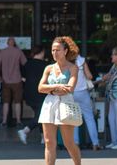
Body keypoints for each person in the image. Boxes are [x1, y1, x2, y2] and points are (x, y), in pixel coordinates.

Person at [36, 37, 82, 165]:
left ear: (65, 51)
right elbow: (40, 87)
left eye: (58, 50)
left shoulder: (73, 68)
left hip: (65, 103)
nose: (54, 53)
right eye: (52, 50)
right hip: (49, 104)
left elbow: (69, 88)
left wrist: (50, 89)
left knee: (68, 142)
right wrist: (55, 88)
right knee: (49, 142)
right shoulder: (48, 68)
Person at [16, 45, 48, 145]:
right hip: (41, 92)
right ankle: (25, 130)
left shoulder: (27, 64)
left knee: (39, 114)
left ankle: (43, 138)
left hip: (29, 92)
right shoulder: (45, 65)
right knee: (42, 115)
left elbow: (22, 78)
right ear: (42, 52)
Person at [71, 51, 100, 150]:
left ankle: (76, 143)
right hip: (83, 93)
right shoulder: (82, 60)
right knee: (89, 118)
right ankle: (95, 143)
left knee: (75, 120)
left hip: (72, 93)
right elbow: (90, 76)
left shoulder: (66, 61)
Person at [0, 37, 26, 129]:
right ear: (14, 43)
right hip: (17, 80)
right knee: (17, 102)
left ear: (7, 43)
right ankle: (18, 121)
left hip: (5, 80)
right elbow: (25, 63)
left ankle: (4, 121)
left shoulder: (2, 52)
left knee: (6, 102)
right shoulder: (18, 52)